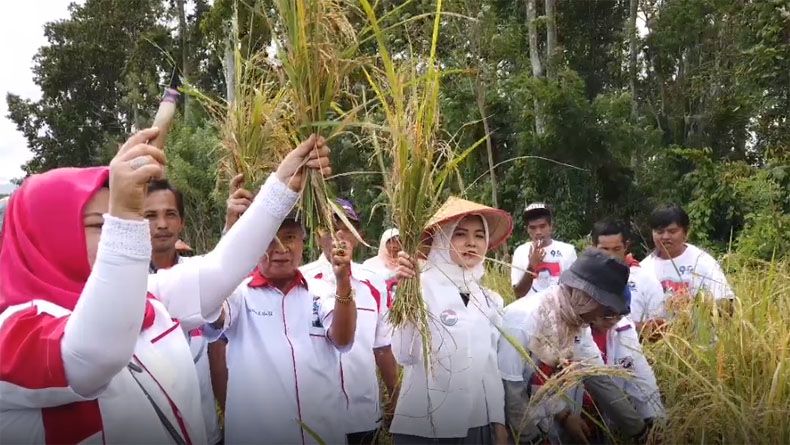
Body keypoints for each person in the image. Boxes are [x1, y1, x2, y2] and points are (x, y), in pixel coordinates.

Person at [0, 127, 330, 443]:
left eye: (118, 219)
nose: (121, 230)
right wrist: (126, 215)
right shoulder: (14, 333)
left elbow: (220, 270)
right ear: (44, 237)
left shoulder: (146, 299)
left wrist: (283, 187)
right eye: (101, 224)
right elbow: (91, 357)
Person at [204, 211, 358, 445]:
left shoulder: (321, 290)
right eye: (268, 238)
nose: (280, 248)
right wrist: (229, 245)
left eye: (289, 237)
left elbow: (343, 341)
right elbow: (213, 316)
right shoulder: (239, 295)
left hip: (324, 434)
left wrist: (343, 282)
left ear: (302, 242)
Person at [389, 197, 513, 445]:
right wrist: (407, 296)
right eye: (460, 234)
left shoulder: (490, 300)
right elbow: (405, 356)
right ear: (442, 238)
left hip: (476, 424)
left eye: (479, 235)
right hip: (422, 424)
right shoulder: (419, 286)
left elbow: (490, 367)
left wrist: (498, 423)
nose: (471, 243)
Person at [498, 249, 648, 444]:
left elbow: (598, 377)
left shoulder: (577, 321)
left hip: (549, 418)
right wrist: (532, 439)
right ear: (586, 296)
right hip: (515, 430)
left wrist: (640, 431)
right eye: (606, 307)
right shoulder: (524, 320)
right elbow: (511, 391)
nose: (605, 315)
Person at [301, 198, 399, 445]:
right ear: (317, 234)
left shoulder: (375, 283)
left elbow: (383, 347)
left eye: (347, 226)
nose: (339, 233)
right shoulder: (299, 281)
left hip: (363, 415)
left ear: (359, 235)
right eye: (331, 225)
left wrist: (397, 397)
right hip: (313, 419)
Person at [142, 179, 221, 444]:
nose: (161, 224)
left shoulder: (198, 277)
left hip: (207, 433)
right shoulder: (123, 286)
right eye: (150, 215)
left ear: (182, 222)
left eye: (170, 214)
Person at [640, 205, 735, 308]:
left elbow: (727, 304)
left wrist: (695, 305)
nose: (665, 237)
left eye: (672, 231)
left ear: (686, 232)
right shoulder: (643, 269)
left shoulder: (703, 262)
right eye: (659, 232)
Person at [591, 219, 666, 334]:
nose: (611, 255)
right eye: (605, 249)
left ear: (626, 246)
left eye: (617, 249)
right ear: (594, 247)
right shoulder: (582, 281)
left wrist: (625, 327)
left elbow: (660, 329)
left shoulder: (645, 280)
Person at [511, 203, 577, 299]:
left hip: (560, 311)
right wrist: (531, 267)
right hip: (530, 312)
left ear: (551, 227)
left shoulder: (567, 250)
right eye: (533, 228)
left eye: (542, 226)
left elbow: (574, 290)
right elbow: (518, 294)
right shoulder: (520, 252)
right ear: (527, 230)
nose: (538, 232)